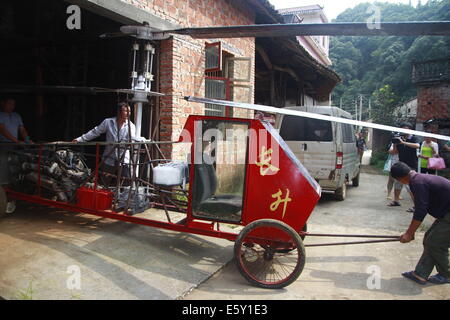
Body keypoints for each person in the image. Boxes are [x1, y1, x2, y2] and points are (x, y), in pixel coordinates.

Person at [390, 161, 450, 285]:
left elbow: (420, 211)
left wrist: (409, 233)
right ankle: (420, 274)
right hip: (445, 213)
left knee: (435, 243)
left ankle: (447, 275)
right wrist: (410, 233)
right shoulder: (417, 179)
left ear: (400, 178)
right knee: (429, 239)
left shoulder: (417, 183)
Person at [72, 102, 144, 186]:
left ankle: (123, 198)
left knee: (127, 182)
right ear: (119, 112)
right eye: (126, 111)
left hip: (123, 159)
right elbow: (95, 132)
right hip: (109, 158)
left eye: (129, 111)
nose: (128, 114)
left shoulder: (131, 126)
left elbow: (132, 138)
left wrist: (142, 140)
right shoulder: (108, 122)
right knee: (103, 181)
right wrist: (80, 139)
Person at [387, 123, 419, 209]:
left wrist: (403, 142)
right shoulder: (399, 139)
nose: (404, 131)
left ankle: (417, 206)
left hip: (411, 165)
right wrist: (395, 143)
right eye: (402, 129)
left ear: (410, 130)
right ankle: (396, 201)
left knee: (411, 186)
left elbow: (417, 146)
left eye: (406, 129)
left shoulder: (413, 138)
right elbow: (395, 152)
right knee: (398, 184)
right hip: (401, 165)